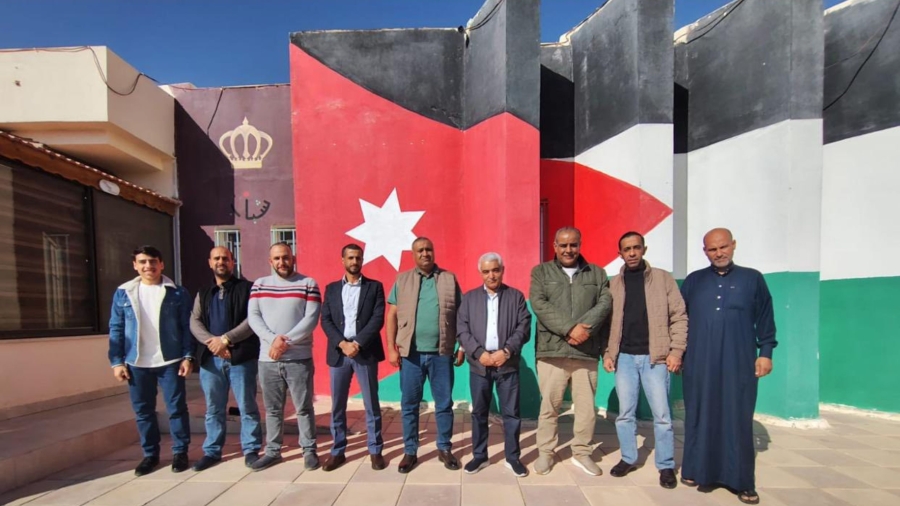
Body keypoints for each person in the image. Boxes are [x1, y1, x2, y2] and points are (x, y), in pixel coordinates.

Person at [680, 228, 776, 505]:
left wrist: (765, 352)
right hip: (699, 362)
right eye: (712, 249)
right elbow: (680, 320)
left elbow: (765, 318)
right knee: (700, 413)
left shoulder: (752, 279)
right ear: (705, 251)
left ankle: (742, 481)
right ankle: (697, 471)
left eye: (723, 247)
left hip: (739, 361)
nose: (719, 253)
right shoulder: (694, 281)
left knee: (738, 416)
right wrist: (677, 353)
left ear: (733, 245)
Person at [603, 232, 687, 488]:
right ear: (620, 253)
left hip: (656, 358)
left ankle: (666, 465)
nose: (632, 253)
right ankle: (628, 458)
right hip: (625, 358)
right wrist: (608, 353)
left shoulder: (662, 279)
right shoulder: (614, 285)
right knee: (625, 414)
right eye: (626, 249)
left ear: (644, 249)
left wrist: (676, 351)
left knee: (662, 416)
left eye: (636, 248)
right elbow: (608, 323)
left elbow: (679, 316)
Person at [529, 227, 612, 476]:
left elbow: (605, 303)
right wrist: (569, 329)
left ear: (580, 245)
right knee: (549, 407)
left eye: (573, 245)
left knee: (586, 409)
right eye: (563, 245)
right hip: (552, 352)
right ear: (554, 246)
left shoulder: (596, 273)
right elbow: (539, 304)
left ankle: (582, 452)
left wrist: (584, 329)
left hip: (586, 352)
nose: (568, 250)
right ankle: (546, 452)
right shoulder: (541, 272)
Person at [108, 245, 194, 476]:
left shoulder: (177, 292)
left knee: (176, 409)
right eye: (143, 262)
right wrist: (117, 362)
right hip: (136, 363)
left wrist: (188, 356)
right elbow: (116, 328)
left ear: (161, 264)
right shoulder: (123, 293)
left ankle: (180, 452)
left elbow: (186, 327)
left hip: (170, 360)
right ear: (135, 265)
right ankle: (150, 455)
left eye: (153, 261)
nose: (148, 266)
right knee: (144, 411)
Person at [385, 237, 464, 474]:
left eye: (429, 249)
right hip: (411, 355)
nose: (425, 253)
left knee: (444, 404)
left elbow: (462, 315)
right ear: (413, 254)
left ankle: (444, 448)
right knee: (409, 405)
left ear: (434, 251)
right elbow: (392, 315)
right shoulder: (402, 280)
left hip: (442, 354)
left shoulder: (449, 279)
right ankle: (410, 451)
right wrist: (391, 348)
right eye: (420, 250)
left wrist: (461, 346)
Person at [248, 242, 322, 472]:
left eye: (286, 257)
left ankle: (309, 450)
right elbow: (253, 317)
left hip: (299, 360)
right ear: (270, 261)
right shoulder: (259, 285)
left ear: (293, 258)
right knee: (272, 409)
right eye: (277, 258)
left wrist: (284, 343)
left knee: (304, 408)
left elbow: (310, 319)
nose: (282, 262)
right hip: (268, 360)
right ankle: (273, 451)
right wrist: (273, 340)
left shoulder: (308, 284)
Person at [457, 252, 531, 477]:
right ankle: (480, 456)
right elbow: (462, 329)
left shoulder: (516, 297)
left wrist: (506, 351)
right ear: (480, 273)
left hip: (506, 364)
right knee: (479, 412)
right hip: (479, 365)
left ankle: (512, 457)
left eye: (495, 270)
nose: (491, 275)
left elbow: (524, 327)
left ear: (502, 270)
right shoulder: (469, 299)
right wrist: (479, 353)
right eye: (486, 271)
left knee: (511, 413)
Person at [189, 246, 262, 471]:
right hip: (211, 360)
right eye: (217, 258)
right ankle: (212, 451)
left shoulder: (247, 288)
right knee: (214, 409)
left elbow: (252, 320)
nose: (221, 262)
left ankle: (251, 449)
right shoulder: (203, 292)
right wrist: (213, 343)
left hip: (242, 358)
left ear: (232, 262)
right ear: (210, 263)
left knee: (247, 406)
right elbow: (194, 321)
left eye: (225, 258)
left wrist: (226, 339)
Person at [319, 244, 387, 472]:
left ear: (362, 260)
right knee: (337, 405)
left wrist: (357, 343)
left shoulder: (374, 287)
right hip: (339, 353)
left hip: (364, 352)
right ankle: (337, 451)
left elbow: (377, 319)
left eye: (358, 257)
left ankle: (375, 450)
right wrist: (342, 343)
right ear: (343, 260)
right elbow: (326, 320)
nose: (354, 261)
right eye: (350, 258)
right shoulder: (331, 289)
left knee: (371, 404)